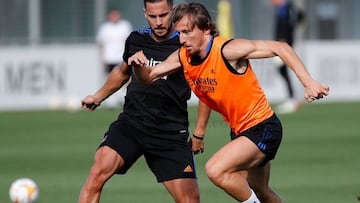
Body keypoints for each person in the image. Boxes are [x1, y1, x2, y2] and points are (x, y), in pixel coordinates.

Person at [130, 2, 329, 203]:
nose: (182, 39)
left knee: (215, 169)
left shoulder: (227, 50)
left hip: (262, 127)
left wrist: (308, 82)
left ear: (206, 29)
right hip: (241, 131)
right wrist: (138, 64)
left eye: (188, 32)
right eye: (179, 33)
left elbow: (281, 47)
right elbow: (148, 77)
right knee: (260, 190)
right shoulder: (183, 56)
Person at [79, 1, 210, 203]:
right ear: (145, 14)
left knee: (190, 200)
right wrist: (97, 97)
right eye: (153, 16)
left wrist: (199, 133)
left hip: (170, 133)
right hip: (132, 125)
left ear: (173, 11)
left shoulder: (186, 44)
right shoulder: (136, 39)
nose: (158, 22)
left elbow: (206, 90)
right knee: (96, 176)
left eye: (164, 15)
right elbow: (122, 72)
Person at [271, 0, 305, 114]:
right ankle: (292, 98)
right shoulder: (289, 8)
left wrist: (283, 37)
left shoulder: (285, 8)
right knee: (283, 71)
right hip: (283, 44)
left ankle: (292, 99)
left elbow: (286, 24)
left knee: (283, 70)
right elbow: (300, 16)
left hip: (283, 44)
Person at [96, 9, 132, 107]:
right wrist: (102, 58)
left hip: (121, 57)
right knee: (110, 78)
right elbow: (101, 44)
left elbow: (130, 41)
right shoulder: (105, 28)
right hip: (109, 58)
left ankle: (124, 97)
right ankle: (112, 100)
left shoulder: (125, 26)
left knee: (125, 78)